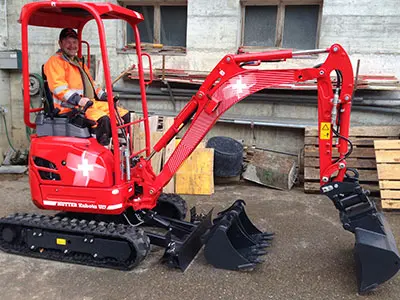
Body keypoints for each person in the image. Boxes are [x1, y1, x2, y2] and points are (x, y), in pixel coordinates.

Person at [44, 28, 129, 146]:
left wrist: (104, 96)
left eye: (74, 42)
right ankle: (102, 153)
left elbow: (92, 84)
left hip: (87, 104)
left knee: (124, 114)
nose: (72, 45)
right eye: (68, 42)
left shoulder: (78, 63)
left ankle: (122, 151)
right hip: (68, 108)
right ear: (60, 43)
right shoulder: (55, 62)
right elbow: (58, 88)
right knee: (103, 120)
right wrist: (78, 100)